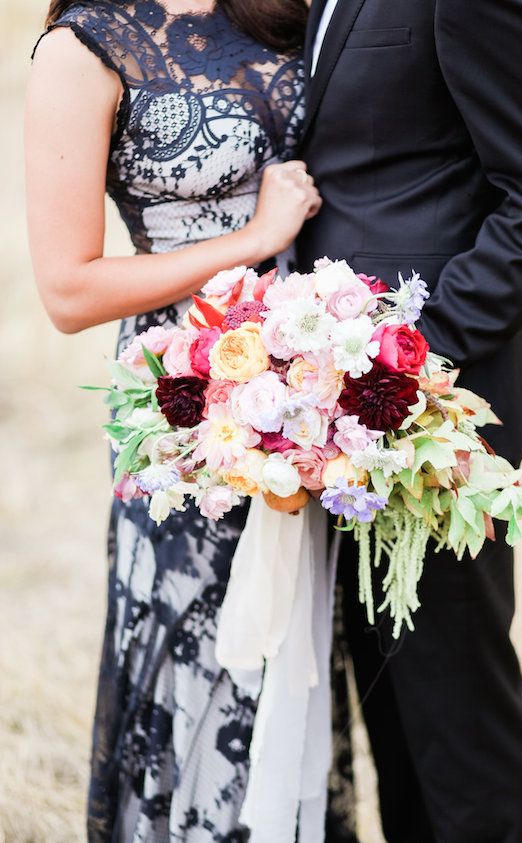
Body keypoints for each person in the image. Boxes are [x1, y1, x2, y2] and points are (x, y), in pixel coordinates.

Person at [26, 1, 321, 839]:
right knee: (200, 642)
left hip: (314, 381)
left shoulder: (278, 9)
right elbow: (67, 291)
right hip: (185, 398)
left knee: (294, 647)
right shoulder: (82, 48)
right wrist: (253, 238)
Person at [298, 2, 522, 842]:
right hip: (337, 420)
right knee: (400, 719)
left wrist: (414, 361)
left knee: (459, 724)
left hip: (438, 417)